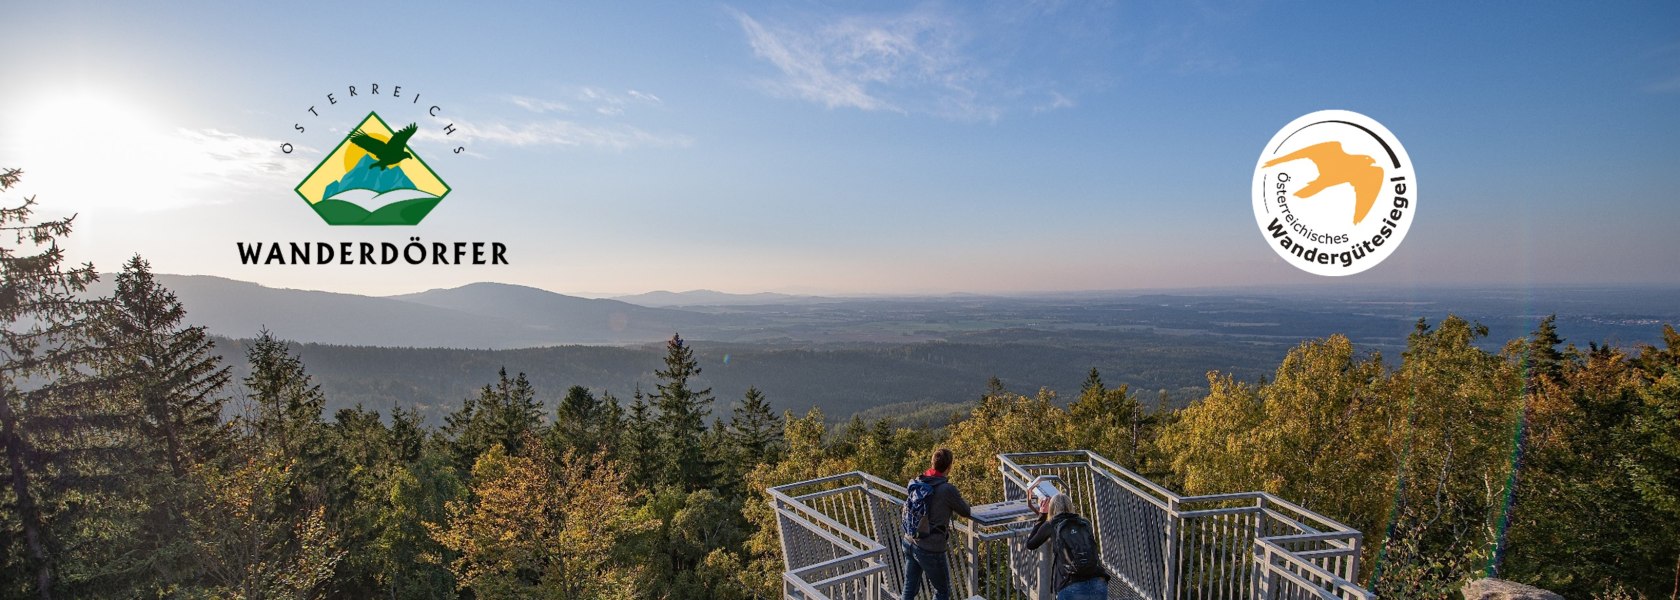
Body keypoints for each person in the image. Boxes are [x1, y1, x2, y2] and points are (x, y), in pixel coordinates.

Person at [901, 448, 971, 600]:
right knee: (942, 591)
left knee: (909, 587)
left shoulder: (919, 480)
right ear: (949, 467)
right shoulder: (947, 489)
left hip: (909, 540)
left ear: (932, 463)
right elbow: (966, 511)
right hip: (930, 547)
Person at [1025, 492, 1111, 600]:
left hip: (1071, 585)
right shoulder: (1084, 523)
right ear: (1070, 505)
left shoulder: (1051, 524)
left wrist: (1042, 515)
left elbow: (1031, 544)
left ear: (1051, 508)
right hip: (1098, 582)